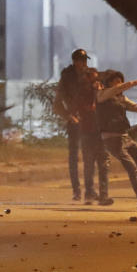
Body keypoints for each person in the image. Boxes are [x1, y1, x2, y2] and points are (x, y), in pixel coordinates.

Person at [97, 71, 137, 209]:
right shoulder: (102, 95)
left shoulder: (121, 98)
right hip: (112, 138)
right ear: (109, 83)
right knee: (132, 167)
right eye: (116, 81)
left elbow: (136, 108)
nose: (119, 84)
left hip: (125, 137)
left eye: (120, 80)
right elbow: (119, 88)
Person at [53, 49, 91, 200]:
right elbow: (58, 102)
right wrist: (68, 116)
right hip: (74, 119)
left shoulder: (90, 74)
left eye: (85, 60)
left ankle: (90, 189)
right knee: (74, 156)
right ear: (75, 61)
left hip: (89, 119)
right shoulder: (67, 76)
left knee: (89, 154)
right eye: (81, 60)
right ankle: (76, 190)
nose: (84, 64)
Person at [78, 68, 113, 205]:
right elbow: (88, 109)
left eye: (96, 79)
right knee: (90, 165)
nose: (95, 82)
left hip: (101, 133)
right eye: (92, 79)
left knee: (103, 165)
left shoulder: (102, 93)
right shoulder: (84, 93)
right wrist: (94, 93)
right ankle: (90, 193)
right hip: (88, 132)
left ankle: (102, 194)